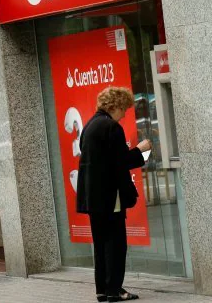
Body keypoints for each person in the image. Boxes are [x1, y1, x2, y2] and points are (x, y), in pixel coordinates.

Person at [76, 87, 151, 302]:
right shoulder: (111, 127)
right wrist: (142, 150)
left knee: (100, 243)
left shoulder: (90, 126)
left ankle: (103, 289)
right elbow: (121, 163)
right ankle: (115, 290)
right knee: (116, 243)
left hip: (93, 197)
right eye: (124, 109)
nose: (125, 113)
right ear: (116, 106)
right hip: (110, 196)